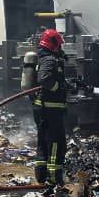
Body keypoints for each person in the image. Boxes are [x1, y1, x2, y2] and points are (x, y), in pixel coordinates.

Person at [32, 28, 68, 185]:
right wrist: (60, 87)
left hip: (43, 108)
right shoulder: (49, 60)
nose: (60, 48)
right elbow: (45, 79)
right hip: (51, 109)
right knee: (56, 143)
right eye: (59, 45)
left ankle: (41, 177)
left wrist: (64, 84)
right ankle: (54, 179)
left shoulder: (44, 58)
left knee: (43, 142)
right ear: (53, 44)